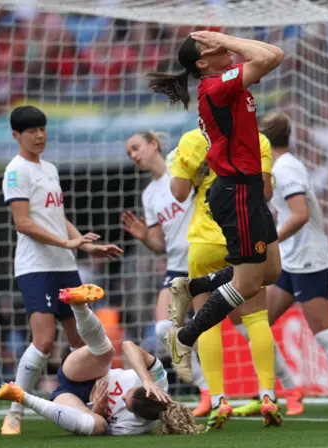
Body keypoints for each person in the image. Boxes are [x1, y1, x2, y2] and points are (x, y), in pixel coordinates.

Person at [147, 31, 284, 425]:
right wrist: (225, 36)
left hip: (249, 191)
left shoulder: (227, 79)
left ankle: (193, 287)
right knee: (246, 285)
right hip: (236, 190)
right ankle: (184, 337)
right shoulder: (214, 86)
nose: (226, 51)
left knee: (271, 271)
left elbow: (268, 57)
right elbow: (273, 54)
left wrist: (219, 42)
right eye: (216, 50)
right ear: (204, 64)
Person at [1, 105, 124, 435]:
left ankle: (86, 402)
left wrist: (85, 246)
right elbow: (23, 223)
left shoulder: (50, 169)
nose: (40, 135)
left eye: (42, 128)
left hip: (64, 265)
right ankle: (16, 410)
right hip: (35, 268)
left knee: (80, 343)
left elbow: (58, 218)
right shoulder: (16, 171)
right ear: (17, 136)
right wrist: (65, 243)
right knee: (43, 342)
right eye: (32, 131)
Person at [169, 128, 301, 428]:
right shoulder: (257, 138)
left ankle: (218, 400)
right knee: (256, 319)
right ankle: (267, 395)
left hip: (205, 239)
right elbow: (266, 193)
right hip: (245, 234)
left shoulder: (192, 139)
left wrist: (186, 169)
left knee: (207, 320)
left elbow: (178, 194)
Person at [259, 112, 328, 416]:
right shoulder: (278, 167)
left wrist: (272, 241)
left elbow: (300, 214)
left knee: (322, 331)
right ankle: (274, 392)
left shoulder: (286, 169)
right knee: (257, 323)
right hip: (291, 259)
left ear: (265, 139)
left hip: (310, 257)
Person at [0, 284, 204, 436]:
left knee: (97, 426)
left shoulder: (134, 427)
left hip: (74, 401)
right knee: (107, 353)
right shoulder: (158, 382)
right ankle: (79, 306)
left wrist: (98, 409)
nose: (123, 398)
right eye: (128, 395)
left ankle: (22, 396)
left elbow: (100, 427)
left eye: (126, 405)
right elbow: (129, 346)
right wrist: (147, 379)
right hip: (83, 372)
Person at [121, 131, 211, 417]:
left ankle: (283, 386)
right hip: (175, 266)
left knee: (244, 324)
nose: (134, 155)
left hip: (206, 258)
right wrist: (144, 237)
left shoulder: (180, 168)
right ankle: (206, 389)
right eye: (129, 153)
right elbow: (159, 245)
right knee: (163, 330)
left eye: (136, 148)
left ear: (153, 144)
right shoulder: (149, 195)